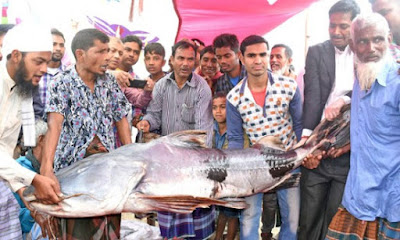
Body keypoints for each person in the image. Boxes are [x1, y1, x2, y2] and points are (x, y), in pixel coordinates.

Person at [41, 28, 132, 239]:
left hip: (107, 170)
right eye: (101, 51)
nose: (108, 57)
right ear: (81, 54)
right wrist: (47, 168)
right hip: (73, 170)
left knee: (109, 227)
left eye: (108, 51)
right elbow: (54, 125)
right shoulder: (62, 82)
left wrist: (130, 157)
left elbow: (121, 119)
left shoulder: (109, 82)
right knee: (77, 228)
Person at [325, 13, 400, 240]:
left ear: (389, 39)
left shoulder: (397, 81)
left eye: (378, 39)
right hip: (359, 193)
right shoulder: (362, 74)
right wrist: (348, 145)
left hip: (391, 199)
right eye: (363, 41)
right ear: (352, 45)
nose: (371, 48)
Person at [226, 35, 302, 240]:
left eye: (262, 54)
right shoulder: (234, 97)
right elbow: (234, 138)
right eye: (251, 55)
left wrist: (300, 154)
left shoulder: (289, 87)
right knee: (249, 220)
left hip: (289, 163)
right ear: (241, 57)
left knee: (293, 221)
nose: (258, 60)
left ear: (268, 56)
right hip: (253, 165)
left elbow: (300, 125)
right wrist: (236, 172)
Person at [137, 40, 214, 239]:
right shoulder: (162, 85)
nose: (185, 64)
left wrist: (200, 162)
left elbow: (204, 130)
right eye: (180, 58)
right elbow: (154, 115)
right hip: (167, 160)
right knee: (170, 213)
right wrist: (146, 122)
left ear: (195, 62)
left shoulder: (201, 88)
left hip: (193, 161)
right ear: (171, 60)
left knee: (194, 212)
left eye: (190, 59)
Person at [296, 1, 360, 239]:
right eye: (332, 26)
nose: (336, 32)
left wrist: (344, 99)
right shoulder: (317, 51)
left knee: (336, 220)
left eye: (343, 26)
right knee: (309, 218)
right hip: (318, 148)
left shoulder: (366, 52)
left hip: (348, 153)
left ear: (356, 26)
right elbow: (312, 97)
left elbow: (368, 89)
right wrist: (307, 143)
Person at [0, 22, 61, 239]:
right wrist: (35, 179)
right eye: (38, 61)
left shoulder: (22, 89)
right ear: (16, 55)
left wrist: (24, 195)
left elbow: (4, 153)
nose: (44, 69)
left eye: (47, 62)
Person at [261, 43, 301, 240]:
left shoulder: (295, 87)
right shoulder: (260, 86)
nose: (274, 60)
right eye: (272, 57)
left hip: (290, 160)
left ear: (289, 61)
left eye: (279, 57)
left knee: (291, 215)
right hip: (263, 162)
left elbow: (300, 122)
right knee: (267, 207)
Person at [34, 28, 67, 119]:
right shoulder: (35, 73)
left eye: (61, 45)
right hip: (37, 128)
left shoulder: (69, 75)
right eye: (54, 44)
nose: (58, 49)